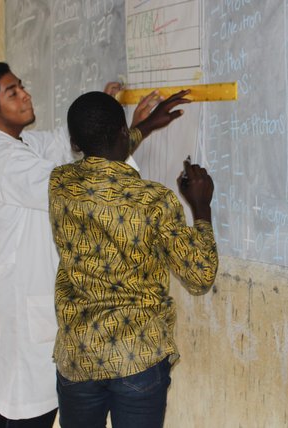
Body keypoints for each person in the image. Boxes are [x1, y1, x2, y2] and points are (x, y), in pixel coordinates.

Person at [0, 61, 187, 427]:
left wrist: (116, 120)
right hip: (22, 306)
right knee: (24, 412)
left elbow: (64, 145)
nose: (25, 95)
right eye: (12, 93)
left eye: (21, 86)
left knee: (1, 406)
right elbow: (84, 183)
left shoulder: (22, 143)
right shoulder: (2, 160)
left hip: (17, 304)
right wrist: (138, 130)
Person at [49, 91, 218, 428]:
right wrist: (201, 207)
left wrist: (144, 127)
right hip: (138, 355)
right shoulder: (154, 200)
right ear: (122, 132)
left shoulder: (60, 183)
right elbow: (200, 277)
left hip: (78, 354)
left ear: (74, 143)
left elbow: (102, 154)